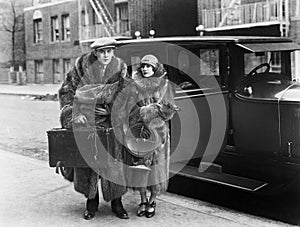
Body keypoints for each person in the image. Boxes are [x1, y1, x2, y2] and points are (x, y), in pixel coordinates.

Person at [58, 37, 130, 220]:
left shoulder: (120, 68)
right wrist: (74, 115)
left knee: (114, 162)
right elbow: (66, 91)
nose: (106, 55)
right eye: (102, 51)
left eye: (109, 51)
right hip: (87, 121)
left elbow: (127, 92)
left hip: (111, 122)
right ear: (95, 52)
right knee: (89, 162)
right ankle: (91, 201)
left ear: (113, 51)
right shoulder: (81, 67)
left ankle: (117, 202)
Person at [114, 54, 178, 218]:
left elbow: (168, 110)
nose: (145, 69)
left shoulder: (165, 86)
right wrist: (144, 112)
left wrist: (155, 111)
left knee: (156, 169)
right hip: (138, 133)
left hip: (158, 134)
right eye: (143, 66)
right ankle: (142, 199)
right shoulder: (134, 86)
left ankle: (152, 200)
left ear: (155, 68)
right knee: (140, 168)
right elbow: (128, 110)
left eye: (149, 66)